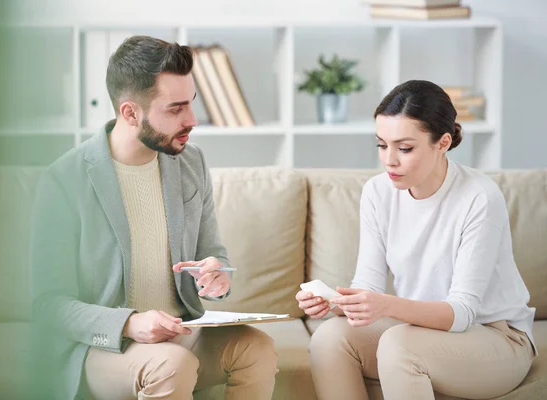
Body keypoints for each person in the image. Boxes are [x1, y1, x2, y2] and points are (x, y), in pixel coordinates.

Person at [30, 35, 277, 400]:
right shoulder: (63, 179)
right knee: (171, 366)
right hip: (108, 347)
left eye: (191, 104)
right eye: (175, 109)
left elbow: (214, 254)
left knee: (256, 348)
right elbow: (47, 304)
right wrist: (130, 323)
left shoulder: (191, 163)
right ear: (130, 112)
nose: (192, 120)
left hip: (181, 334)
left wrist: (217, 276)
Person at [296, 80, 536, 400]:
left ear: (443, 143)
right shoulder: (377, 192)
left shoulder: (479, 197)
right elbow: (368, 285)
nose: (389, 160)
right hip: (421, 332)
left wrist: (385, 305)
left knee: (399, 344)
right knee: (330, 338)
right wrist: (338, 304)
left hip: (497, 338)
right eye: (382, 145)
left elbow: (462, 312)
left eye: (404, 148)